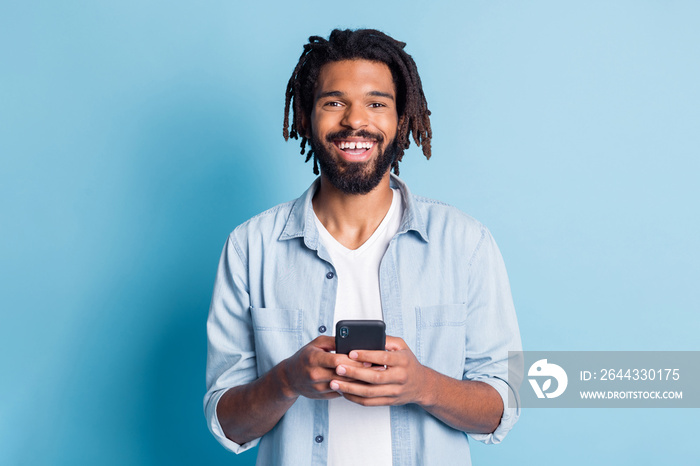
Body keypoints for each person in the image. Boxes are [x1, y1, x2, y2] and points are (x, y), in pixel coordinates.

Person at [204, 28, 523, 466]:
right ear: (306, 116)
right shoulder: (250, 248)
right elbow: (228, 424)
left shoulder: (464, 243)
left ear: (401, 117)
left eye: (376, 103)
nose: (356, 121)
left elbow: (500, 408)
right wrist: (286, 380)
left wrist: (424, 385)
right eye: (334, 102)